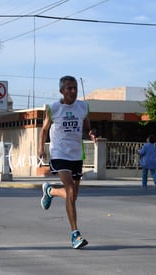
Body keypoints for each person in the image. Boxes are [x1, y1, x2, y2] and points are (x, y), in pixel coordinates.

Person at [38, 75, 96, 249]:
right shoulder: (53, 108)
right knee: (70, 189)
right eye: (69, 88)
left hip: (76, 155)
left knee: (73, 195)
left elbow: (87, 128)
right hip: (59, 154)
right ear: (61, 91)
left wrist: (92, 134)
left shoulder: (83, 107)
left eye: (75, 88)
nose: (73, 91)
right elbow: (44, 130)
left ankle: (50, 191)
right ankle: (75, 235)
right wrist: (41, 149)